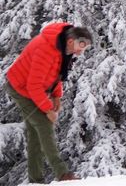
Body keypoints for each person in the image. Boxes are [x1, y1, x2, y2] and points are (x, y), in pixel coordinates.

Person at [5, 22, 92, 182]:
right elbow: (33, 85)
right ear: (71, 41)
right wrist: (48, 110)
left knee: (36, 136)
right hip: (19, 88)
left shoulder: (63, 47)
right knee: (44, 125)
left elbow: (55, 74)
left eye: (85, 47)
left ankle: (35, 180)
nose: (81, 51)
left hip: (32, 89)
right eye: (81, 46)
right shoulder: (46, 49)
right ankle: (62, 173)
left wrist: (57, 95)